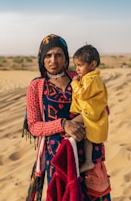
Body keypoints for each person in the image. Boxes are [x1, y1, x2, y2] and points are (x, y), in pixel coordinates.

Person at [25, 34, 111, 201]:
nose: (53, 60)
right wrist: (63, 124)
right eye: (48, 55)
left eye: (58, 54)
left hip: (88, 155)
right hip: (59, 158)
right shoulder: (36, 86)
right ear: (42, 59)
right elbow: (34, 126)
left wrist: (80, 120)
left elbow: (103, 107)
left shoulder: (80, 77)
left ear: (65, 57)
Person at [70, 44, 109, 173]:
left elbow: (82, 94)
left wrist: (74, 83)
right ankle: (88, 162)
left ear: (92, 64)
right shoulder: (90, 78)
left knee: (71, 127)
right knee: (88, 138)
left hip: (89, 112)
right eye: (76, 65)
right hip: (89, 111)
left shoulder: (91, 79)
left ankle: (69, 157)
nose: (77, 69)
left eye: (80, 65)